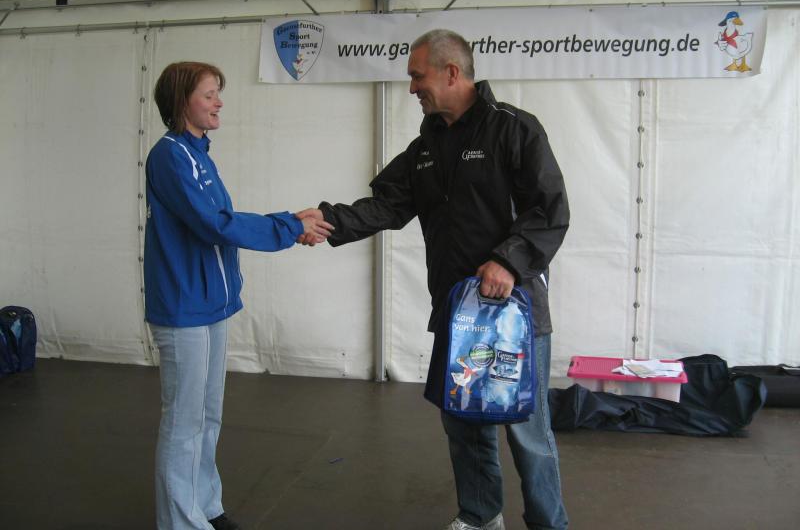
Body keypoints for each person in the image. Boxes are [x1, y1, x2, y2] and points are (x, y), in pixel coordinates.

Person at [298, 30, 570, 530]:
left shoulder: (514, 129)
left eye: (416, 76)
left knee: (527, 430)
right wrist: (327, 219)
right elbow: (386, 205)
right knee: (462, 420)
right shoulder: (426, 147)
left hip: (514, 313)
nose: (411, 88)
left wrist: (508, 262)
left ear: (451, 72)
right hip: (456, 309)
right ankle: (481, 516)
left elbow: (549, 211)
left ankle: (549, 523)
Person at [145, 61, 333, 530]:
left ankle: (206, 506)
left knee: (207, 415)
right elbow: (214, 225)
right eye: (209, 94)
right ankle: (181, 522)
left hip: (210, 302)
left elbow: (221, 222)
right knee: (184, 421)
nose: (219, 103)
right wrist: (289, 226)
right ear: (182, 101)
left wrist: (290, 221)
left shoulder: (198, 155)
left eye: (217, 93)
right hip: (184, 305)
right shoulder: (170, 156)